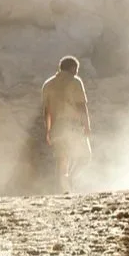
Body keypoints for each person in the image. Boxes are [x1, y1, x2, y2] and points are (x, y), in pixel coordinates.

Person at [40, 56, 93, 193]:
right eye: (76, 70)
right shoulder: (75, 81)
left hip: (57, 128)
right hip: (73, 126)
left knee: (62, 160)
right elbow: (82, 106)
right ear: (73, 68)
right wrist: (87, 125)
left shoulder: (48, 84)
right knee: (84, 157)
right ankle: (71, 177)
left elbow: (46, 111)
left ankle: (63, 190)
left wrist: (48, 130)